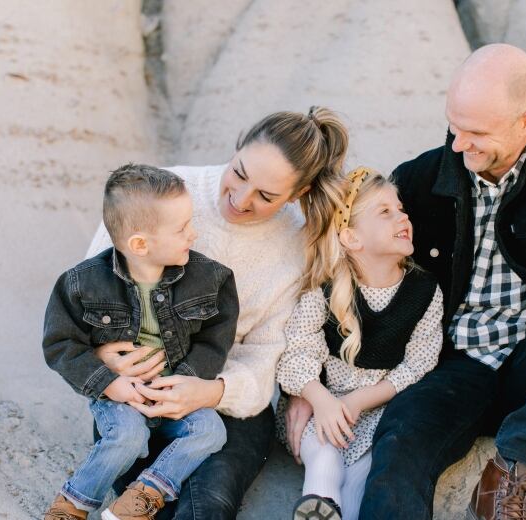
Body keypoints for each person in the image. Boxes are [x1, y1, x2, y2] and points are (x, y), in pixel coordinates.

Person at [286, 44, 526, 519]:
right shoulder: (422, 178)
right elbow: (350, 264)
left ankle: (509, 474)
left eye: (478, 132)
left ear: (525, 122)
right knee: (399, 445)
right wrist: (308, 389)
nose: (460, 145)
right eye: (454, 126)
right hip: (451, 367)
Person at [85, 107, 350, 519]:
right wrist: (106, 358)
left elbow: (267, 354)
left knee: (209, 506)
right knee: (145, 503)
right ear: (237, 145)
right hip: (140, 392)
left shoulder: (298, 243)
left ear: (297, 194)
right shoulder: (158, 194)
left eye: (266, 196)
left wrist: (214, 391)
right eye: (239, 173)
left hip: (229, 401)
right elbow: (89, 296)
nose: (241, 199)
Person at [42, 164, 238, 520]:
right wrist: (110, 383)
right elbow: (60, 345)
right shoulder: (81, 285)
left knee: (210, 430)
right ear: (139, 244)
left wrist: (188, 381)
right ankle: (74, 503)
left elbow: (215, 338)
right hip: (120, 393)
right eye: (182, 229)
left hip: (173, 390)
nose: (193, 234)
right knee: (128, 437)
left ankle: (146, 494)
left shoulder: (209, 279)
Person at [276, 168, 443, 520]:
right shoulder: (325, 287)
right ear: (351, 237)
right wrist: (321, 400)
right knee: (324, 452)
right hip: (319, 405)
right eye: (386, 212)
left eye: (401, 209)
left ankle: (335, 512)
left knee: (361, 474)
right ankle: (317, 502)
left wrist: (359, 400)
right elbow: (298, 350)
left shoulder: (424, 292)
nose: (403, 216)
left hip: (378, 408)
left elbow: (418, 364)